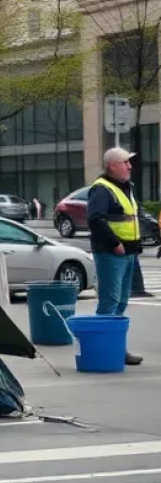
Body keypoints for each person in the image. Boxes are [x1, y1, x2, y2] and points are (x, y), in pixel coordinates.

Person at [87, 146, 143, 365]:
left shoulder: (126, 187)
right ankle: (103, 350)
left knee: (120, 302)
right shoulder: (102, 189)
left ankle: (116, 348)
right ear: (112, 165)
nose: (130, 166)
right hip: (112, 253)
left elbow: (131, 217)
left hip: (127, 252)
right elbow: (95, 220)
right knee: (110, 303)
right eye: (125, 162)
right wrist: (114, 243)